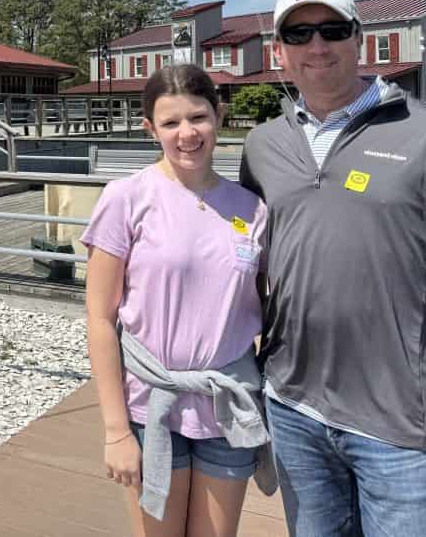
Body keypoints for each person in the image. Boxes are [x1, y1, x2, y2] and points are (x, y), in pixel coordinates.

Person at [240, 0, 426, 536]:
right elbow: (242, 259)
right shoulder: (263, 145)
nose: (316, 46)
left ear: (360, 40)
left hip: (404, 431)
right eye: (298, 34)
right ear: (278, 53)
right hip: (294, 411)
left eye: (332, 30)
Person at [84, 64, 274, 537]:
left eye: (198, 117)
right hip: (151, 406)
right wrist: (115, 432)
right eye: (171, 123)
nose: (187, 133)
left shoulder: (252, 209)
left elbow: (271, 309)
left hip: (226, 406)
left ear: (219, 116)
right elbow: (100, 319)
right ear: (151, 129)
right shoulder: (126, 198)